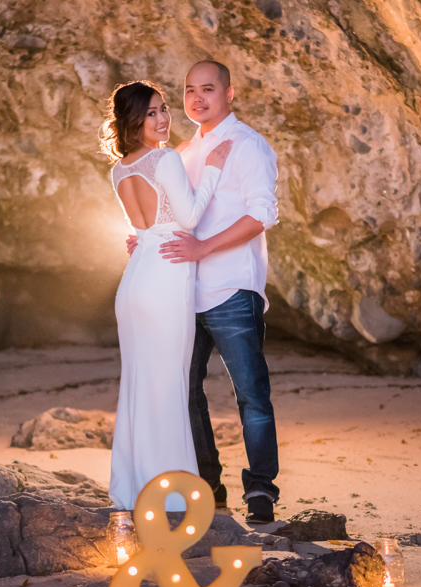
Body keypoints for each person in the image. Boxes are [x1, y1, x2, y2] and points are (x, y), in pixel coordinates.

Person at [127, 61, 281, 524]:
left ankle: (261, 491)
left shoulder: (249, 146)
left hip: (232, 288)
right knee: (184, 392)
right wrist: (146, 238)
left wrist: (202, 248)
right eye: (190, 90)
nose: (197, 99)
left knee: (251, 395)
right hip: (181, 293)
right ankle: (209, 487)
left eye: (208, 89)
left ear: (229, 93)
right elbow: (174, 215)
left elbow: (262, 215)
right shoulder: (181, 150)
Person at [101, 80, 232, 513]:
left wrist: (146, 239)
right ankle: (173, 495)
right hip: (165, 279)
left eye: (164, 109)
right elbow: (190, 218)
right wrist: (212, 167)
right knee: (169, 387)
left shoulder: (118, 170)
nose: (162, 119)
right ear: (133, 121)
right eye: (152, 113)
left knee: (140, 387)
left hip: (135, 280)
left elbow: (145, 231)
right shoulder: (165, 159)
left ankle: (135, 488)